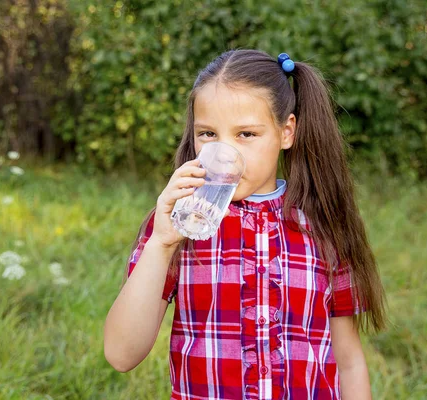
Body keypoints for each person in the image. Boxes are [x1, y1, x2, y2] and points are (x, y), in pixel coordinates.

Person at [104, 49, 386, 400]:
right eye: (208, 134)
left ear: (286, 132)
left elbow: (348, 363)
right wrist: (161, 244)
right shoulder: (178, 225)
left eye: (246, 135)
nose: (225, 153)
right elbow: (121, 354)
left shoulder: (323, 229)